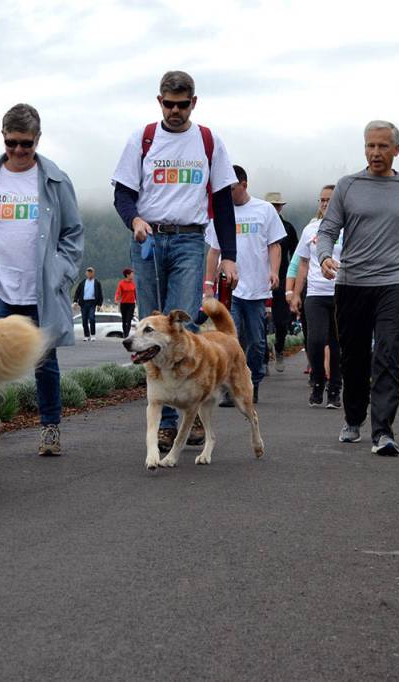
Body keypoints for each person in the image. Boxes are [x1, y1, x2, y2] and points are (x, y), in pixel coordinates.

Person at [111, 69, 238, 453]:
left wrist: (229, 255)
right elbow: (123, 193)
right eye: (169, 104)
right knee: (151, 327)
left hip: (187, 239)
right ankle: (167, 421)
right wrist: (132, 218)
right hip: (149, 237)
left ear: (193, 103)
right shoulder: (143, 138)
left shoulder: (207, 141)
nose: (175, 111)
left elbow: (221, 201)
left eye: (183, 105)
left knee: (182, 323)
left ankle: (192, 412)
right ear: (159, 102)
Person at [0, 103, 83, 457]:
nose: (18, 150)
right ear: (3, 138)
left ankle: (50, 428)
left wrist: (61, 271)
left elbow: (73, 234)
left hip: (40, 289)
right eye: (12, 142)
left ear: (38, 140)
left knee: (45, 361)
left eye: (25, 144)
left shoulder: (56, 181)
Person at [316, 120, 399, 456]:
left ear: (396, 149)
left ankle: (383, 431)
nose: (375, 153)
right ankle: (353, 418)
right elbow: (327, 230)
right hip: (352, 283)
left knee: (389, 353)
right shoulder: (348, 186)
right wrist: (324, 257)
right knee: (353, 358)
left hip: (395, 282)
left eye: (382, 146)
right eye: (370, 146)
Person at [204, 165, 284, 405]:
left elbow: (275, 245)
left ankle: (253, 382)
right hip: (230, 289)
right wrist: (208, 284)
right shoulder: (220, 214)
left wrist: (274, 271)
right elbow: (213, 251)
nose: (226, 194)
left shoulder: (264, 210)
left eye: (231, 188)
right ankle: (231, 389)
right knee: (230, 341)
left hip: (257, 288)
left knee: (257, 342)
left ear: (244, 184)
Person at [289, 184, 341, 409]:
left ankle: (335, 389)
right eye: (322, 200)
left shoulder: (348, 228)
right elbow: (302, 262)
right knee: (316, 340)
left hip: (342, 292)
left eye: (330, 200)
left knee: (338, 343)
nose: (325, 204)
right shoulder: (311, 230)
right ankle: (318, 380)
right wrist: (296, 294)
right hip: (316, 293)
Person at [264, 191, 299, 373]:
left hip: (283, 279)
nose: (275, 209)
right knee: (259, 320)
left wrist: (294, 283)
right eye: (271, 206)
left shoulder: (288, 228)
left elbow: (295, 256)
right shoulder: (260, 225)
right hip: (261, 278)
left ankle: (278, 348)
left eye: (277, 206)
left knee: (281, 321)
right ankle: (262, 360)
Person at [73, 267, 103, 341]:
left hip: (92, 302)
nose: (89, 273)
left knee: (92, 318)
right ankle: (86, 335)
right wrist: (75, 301)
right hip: (83, 303)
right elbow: (77, 292)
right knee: (84, 320)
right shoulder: (83, 282)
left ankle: (93, 335)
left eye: (91, 272)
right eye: (88, 272)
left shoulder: (96, 282)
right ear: (86, 273)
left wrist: (99, 304)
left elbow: (100, 294)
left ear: (93, 273)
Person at [115, 267, 137, 337]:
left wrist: (137, 301)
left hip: (131, 303)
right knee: (124, 320)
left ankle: (127, 334)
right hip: (124, 303)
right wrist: (116, 299)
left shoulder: (133, 283)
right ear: (127, 275)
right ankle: (125, 333)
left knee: (129, 319)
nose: (133, 275)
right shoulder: (121, 283)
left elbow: (135, 293)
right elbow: (118, 292)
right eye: (131, 274)